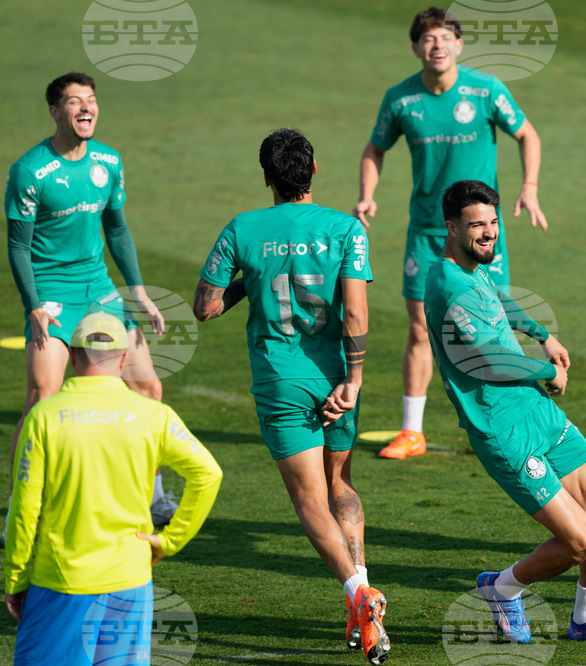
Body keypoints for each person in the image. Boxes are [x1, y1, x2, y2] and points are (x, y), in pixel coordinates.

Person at [194, 129, 389, 664]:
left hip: (281, 381)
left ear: (266, 177)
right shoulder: (347, 229)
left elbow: (206, 307)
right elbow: (354, 313)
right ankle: (360, 597)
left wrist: (251, 280)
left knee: (308, 499)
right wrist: (353, 380)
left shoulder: (244, 228)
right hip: (336, 378)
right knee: (340, 484)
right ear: (315, 169)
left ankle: (358, 594)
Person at [425, 179, 586, 644]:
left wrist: (542, 331)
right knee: (580, 540)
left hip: (539, 414)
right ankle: (503, 589)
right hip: (503, 429)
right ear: (450, 227)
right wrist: (545, 369)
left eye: (493, 222)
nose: (488, 233)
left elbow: (498, 298)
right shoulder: (447, 283)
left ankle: (585, 620)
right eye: (476, 225)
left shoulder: (474, 267)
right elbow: (486, 358)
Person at [355, 6, 548, 459]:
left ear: (459, 45)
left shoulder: (485, 91)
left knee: (496, 323)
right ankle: (412, 431)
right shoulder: (401, 100)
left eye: (445, 37)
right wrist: (367, 194)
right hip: (426, 233)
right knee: (421, 328)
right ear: (415, 48)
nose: (437, 45)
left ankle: (516, 417)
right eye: (427, 38)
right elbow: (374, 148)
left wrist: (530, 188)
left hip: (480, 235)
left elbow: (528, 135)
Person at [4, 71, 176, 527]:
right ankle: (20, 511)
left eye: (92, 100)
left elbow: (116, 229)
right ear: (55, 111)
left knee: (148, 388)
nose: (86, 108)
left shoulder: (108, 161)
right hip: (53, 297)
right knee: (43, 396)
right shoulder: (29, 171)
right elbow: (18, 246)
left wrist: (136, 288)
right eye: (74, 101)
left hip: (99, 290)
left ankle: (154, 496)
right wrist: (33, 305)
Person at [4, 311, 222, 665]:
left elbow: (25, 507)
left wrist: (15, 578)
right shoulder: (154, 415)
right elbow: (208, 474)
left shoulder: (44, 416)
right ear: (124, 358)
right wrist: (170, 541)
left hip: (60, 580)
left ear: (72, 355)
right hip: (129, 580)